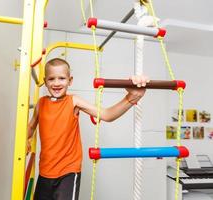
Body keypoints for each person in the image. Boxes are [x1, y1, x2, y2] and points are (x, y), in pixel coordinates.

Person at [27, 58, 149, 200]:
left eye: (61, 78)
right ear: (45, 81)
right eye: (51, 79)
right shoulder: (41, 104)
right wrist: (25, 139)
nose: (56, 83)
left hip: (68, 172)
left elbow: (106, 115)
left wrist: (131, 98)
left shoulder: (74, 101)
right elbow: (31, 126)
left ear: (70, 80)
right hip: (45, 172)